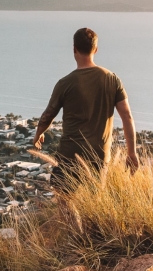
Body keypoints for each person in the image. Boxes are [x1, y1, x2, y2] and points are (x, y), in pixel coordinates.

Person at [32, 27, 139, 185]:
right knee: (94, 203)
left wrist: (38, 133)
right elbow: (127, 116)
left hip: (69, 155)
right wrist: (132, 152)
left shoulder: (65, 83)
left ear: (74, 49)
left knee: (65, 204)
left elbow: (48, 114)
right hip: (99, 155)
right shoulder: (112, 79)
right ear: (95, 49)